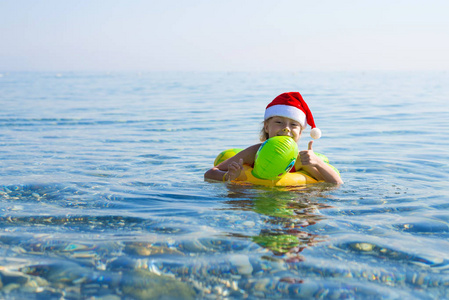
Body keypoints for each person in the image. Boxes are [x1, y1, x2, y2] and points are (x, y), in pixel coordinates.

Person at [204, 92, 343, 184]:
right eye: (279, 122)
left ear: (300, 132)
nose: (286, 128)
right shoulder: (254, 152)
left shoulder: (300, 159)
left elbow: (336, 184)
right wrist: (229, 177)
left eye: (293, 124)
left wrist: (318, 162)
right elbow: (210, 173)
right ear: (266, 127)